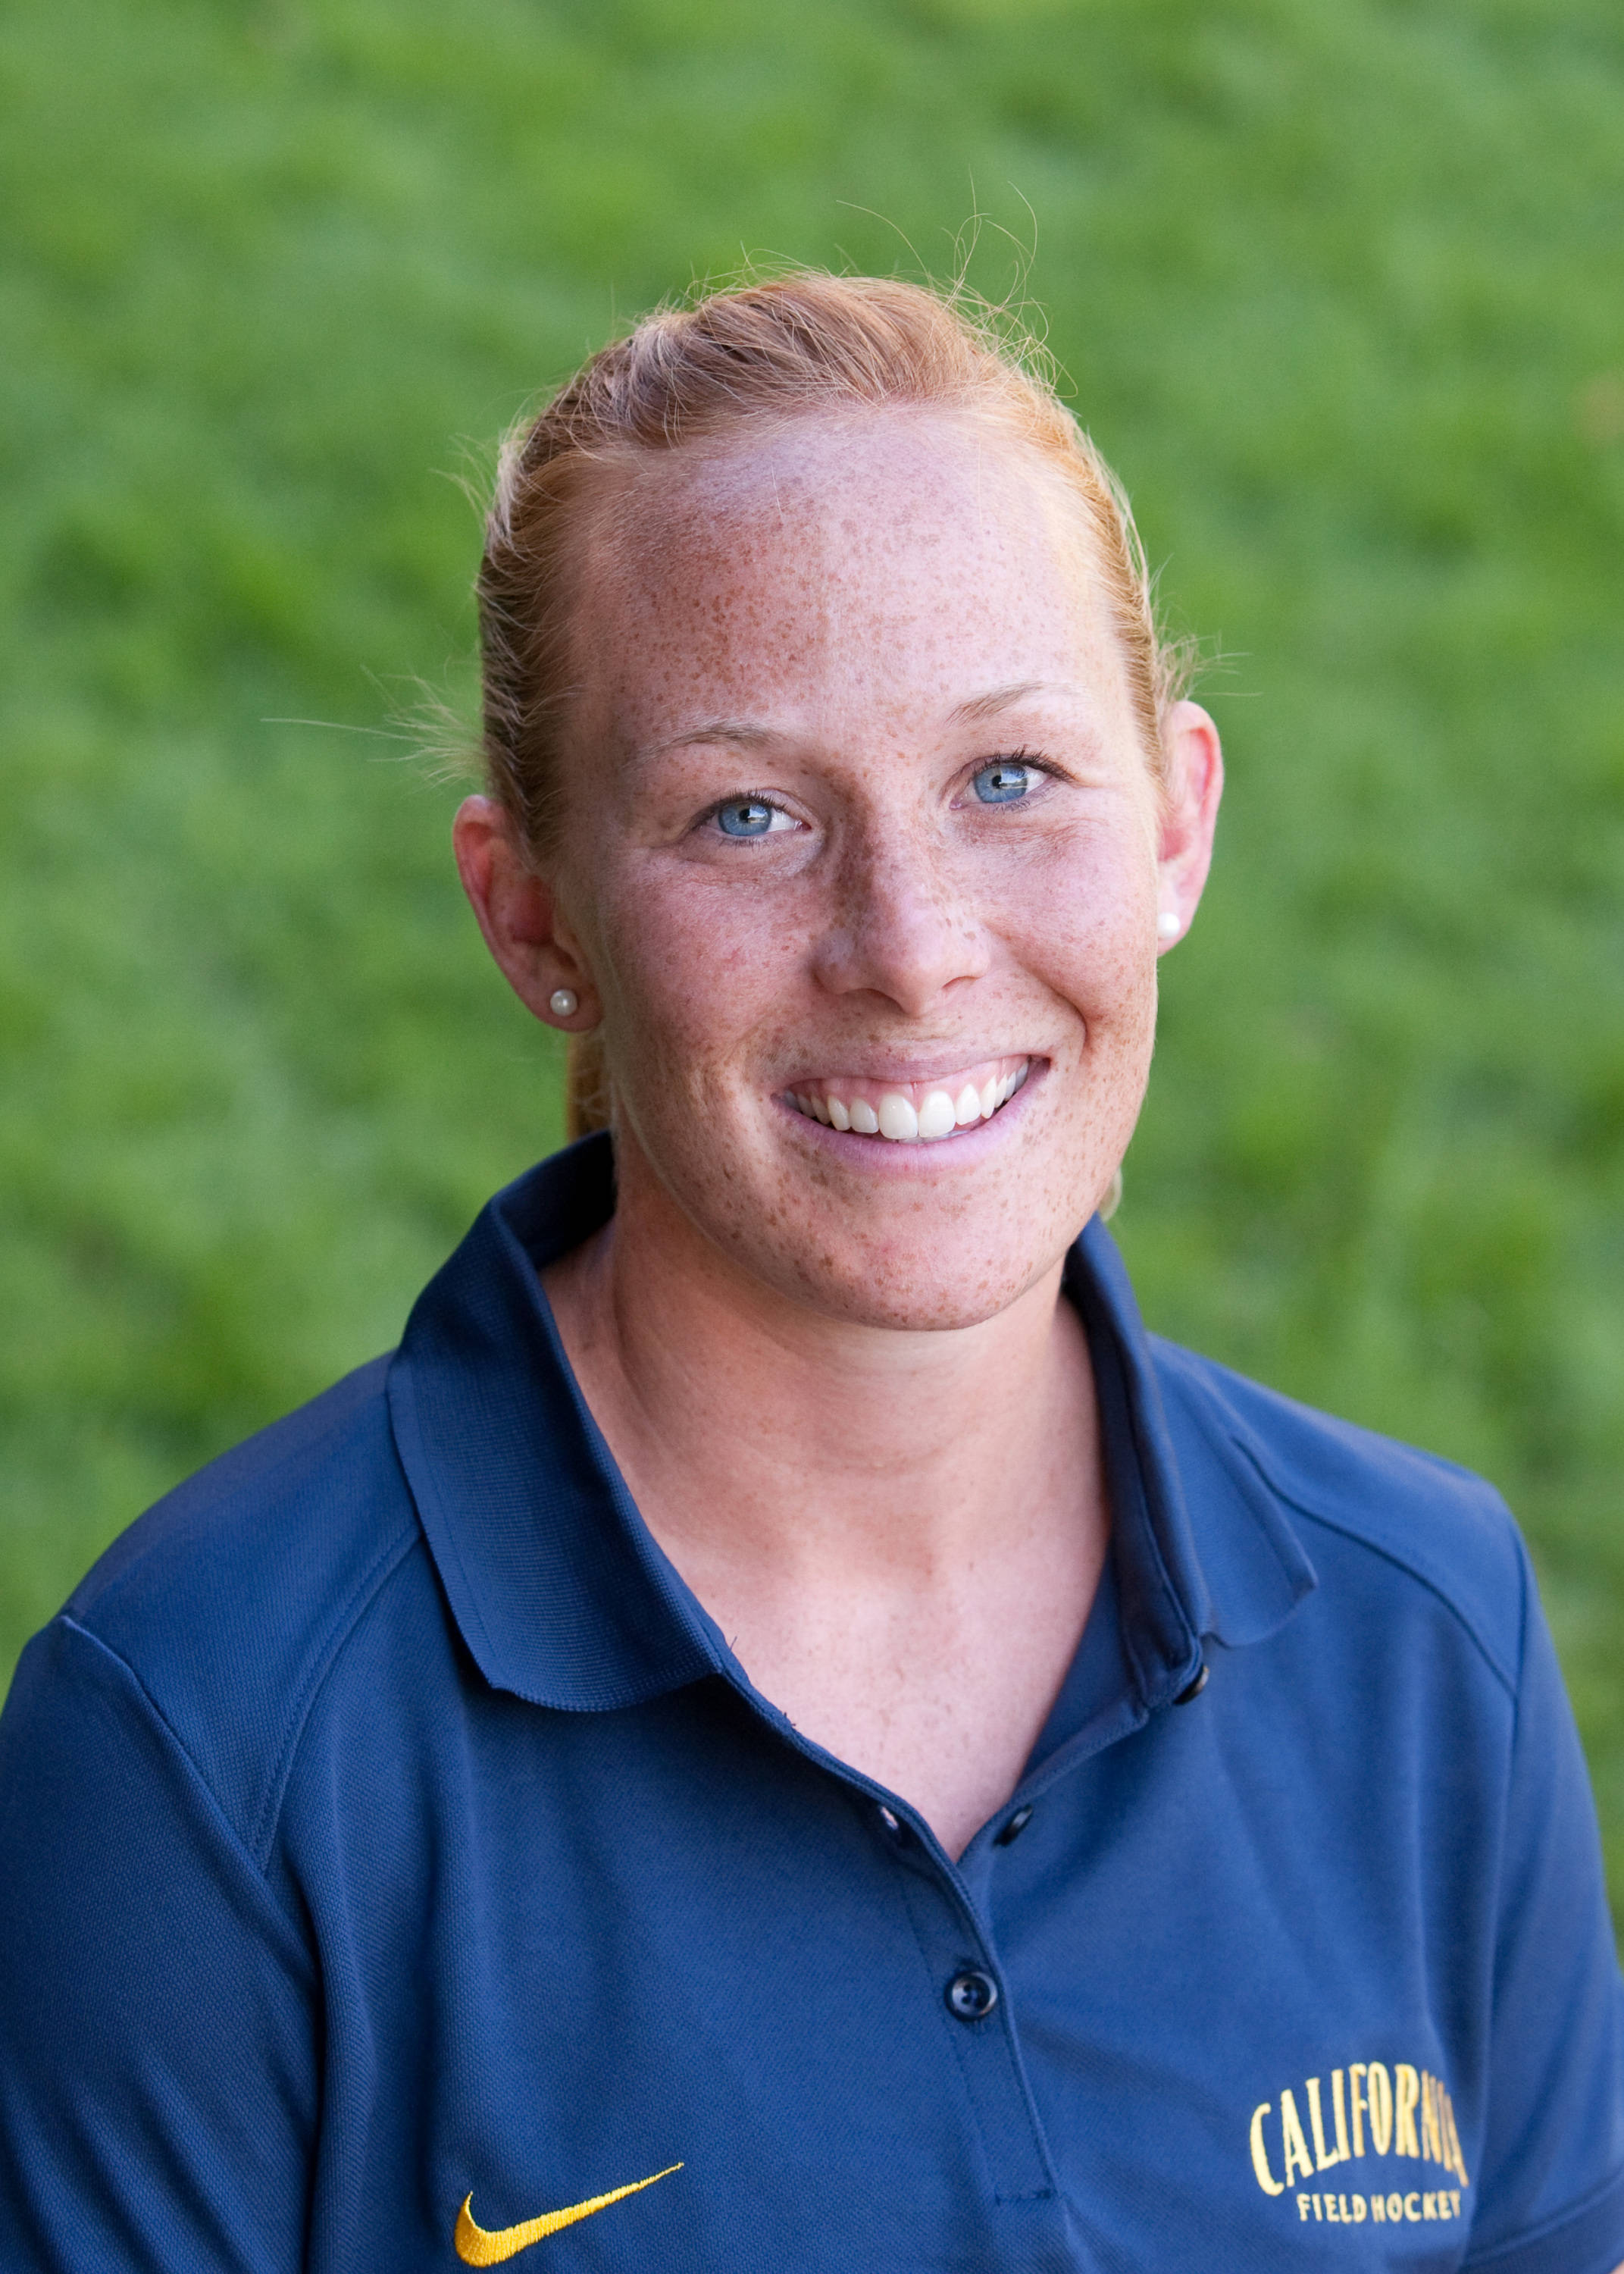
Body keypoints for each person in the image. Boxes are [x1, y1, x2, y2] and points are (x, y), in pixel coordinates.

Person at [1, 271, 1620, 2274]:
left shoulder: (1419, 1630)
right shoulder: (208, 1747)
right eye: (747, 815)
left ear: (1181, 823)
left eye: (1009, 779)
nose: (913, 947)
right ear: (535, 918)